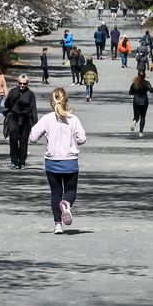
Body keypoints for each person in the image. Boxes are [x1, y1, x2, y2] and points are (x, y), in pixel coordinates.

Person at [30, 88, 88, 234]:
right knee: (71, 190)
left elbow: (33, 138)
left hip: (52, 162)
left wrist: (45, 135)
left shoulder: (47, 119)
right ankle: (66, 204)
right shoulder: (73, 119)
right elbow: (82, 139)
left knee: (55, 192)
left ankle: (57, 225)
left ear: (52, 103)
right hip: (70, 162)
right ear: (66, 101)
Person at [3, 74, 39, 169]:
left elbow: (33, 109)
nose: (22, 85)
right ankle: (14, 161)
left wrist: (36, 124)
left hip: (25, 118)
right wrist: (12, 98)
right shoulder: (13, 91)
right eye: (20, 83)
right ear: (17, 82)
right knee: (13, 138)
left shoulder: (30, 94)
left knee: (23, 141)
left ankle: (22, 162)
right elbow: (6, 104)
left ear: (27, 83)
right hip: (13, 117)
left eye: (24, 83)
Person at [129, 70, 153, 137]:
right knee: (143, 117)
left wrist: (135, 92)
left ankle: (134, 121)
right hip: (144, 102)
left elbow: (130, 92)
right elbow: (151, 90)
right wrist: (152, 89)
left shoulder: (135, 83)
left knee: (136, 116)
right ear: (144, 76)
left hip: (136, 101)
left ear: (138, 75)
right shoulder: (146, 83)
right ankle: (140, 132)